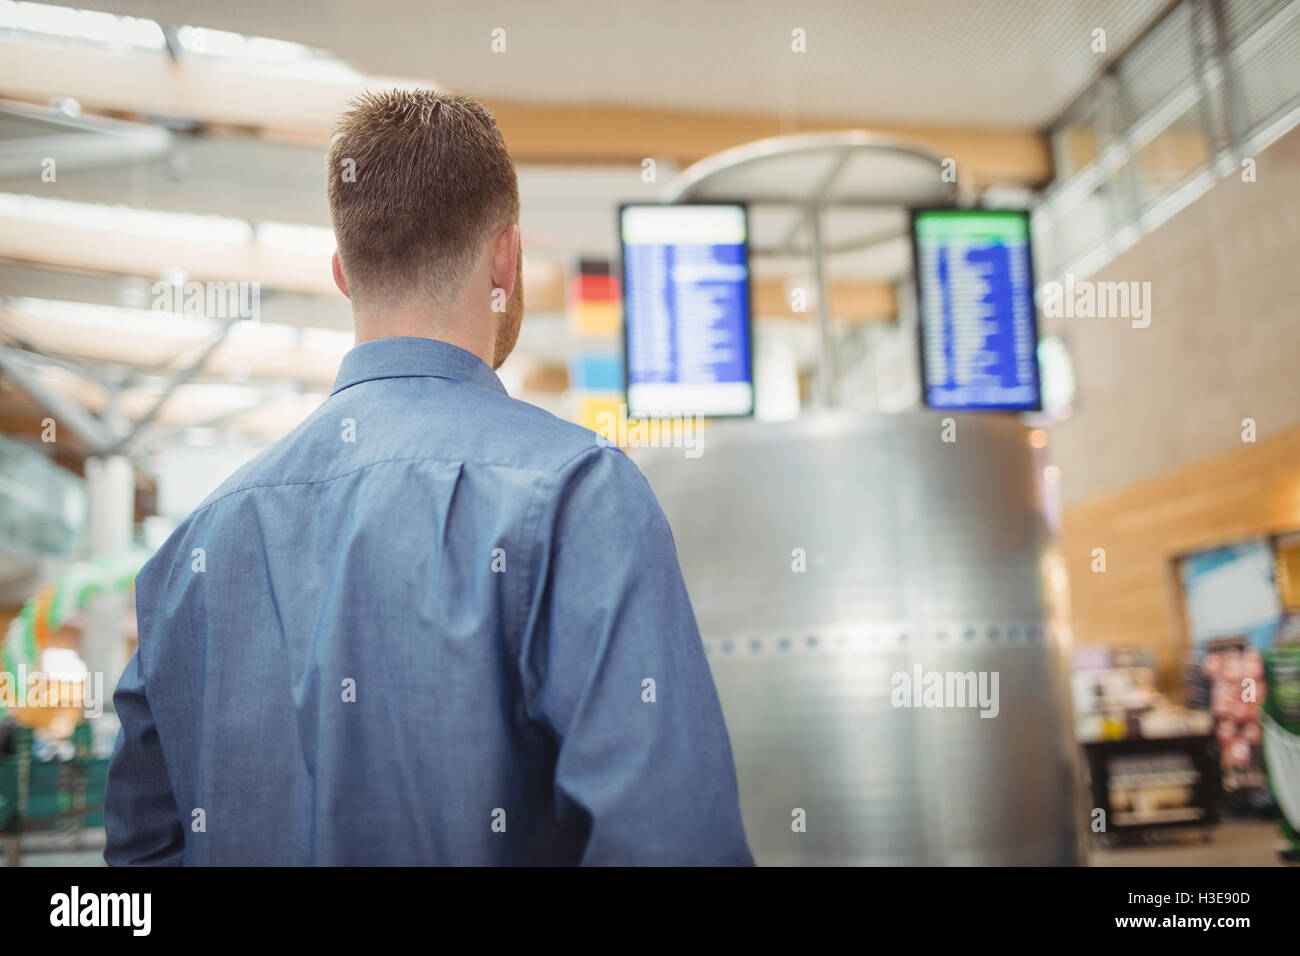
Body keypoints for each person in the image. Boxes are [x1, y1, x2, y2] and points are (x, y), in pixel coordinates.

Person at [104, 89, 753, 866]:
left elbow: (136, 865)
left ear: (344, 272)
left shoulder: (187, 559)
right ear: (506, 257)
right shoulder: (577, 494)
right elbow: (671, 843)